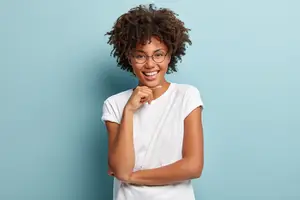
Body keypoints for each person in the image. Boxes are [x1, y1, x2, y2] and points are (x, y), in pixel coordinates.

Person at [101, 4, 204, 200]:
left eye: (158, 54)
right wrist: (129, 111)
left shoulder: (187, 96)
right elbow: (121, 168)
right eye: (140, 55)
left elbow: (193, 166)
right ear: (129, 57)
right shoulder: (114, 104)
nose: (150, 64)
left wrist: (131, 177)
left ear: (169, 56)